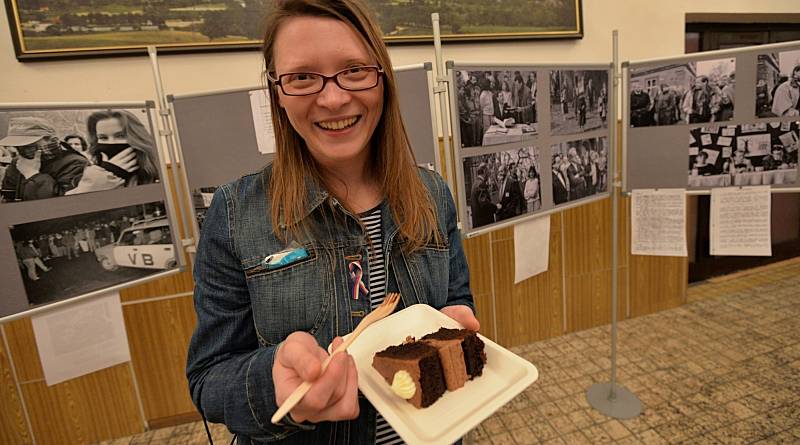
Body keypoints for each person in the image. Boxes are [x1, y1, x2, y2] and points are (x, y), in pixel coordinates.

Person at [185, 1, 479, 444]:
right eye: (302, 77)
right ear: (277, 93)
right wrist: (272, 381)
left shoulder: (432, 194)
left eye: (354, 70)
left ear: (382, 78)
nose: (334, 97)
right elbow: (208, 377)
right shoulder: (233, 215)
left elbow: (456, 297)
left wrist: (457, 323)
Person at [67, 110, 160, 194]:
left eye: (120, 136)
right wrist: (104, 177)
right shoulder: (87, 174)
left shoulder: (158, 173)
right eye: (103, 138)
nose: (111, 143)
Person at [0, 117, 88, 202]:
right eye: (17, 146)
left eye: (29, 145)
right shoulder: (18, 162)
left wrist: (32, 175)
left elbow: (63, 204)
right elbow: (8, 197)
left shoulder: (76, 164)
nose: (22, 149)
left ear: (52, 140)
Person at [470, 162, 496, 228]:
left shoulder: (476, 183)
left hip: (479, 222)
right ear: (484, 171)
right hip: (484, 222)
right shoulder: (480, 184)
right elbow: (484, 203)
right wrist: (495, 207)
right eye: (488, 171)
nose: (489, 174)